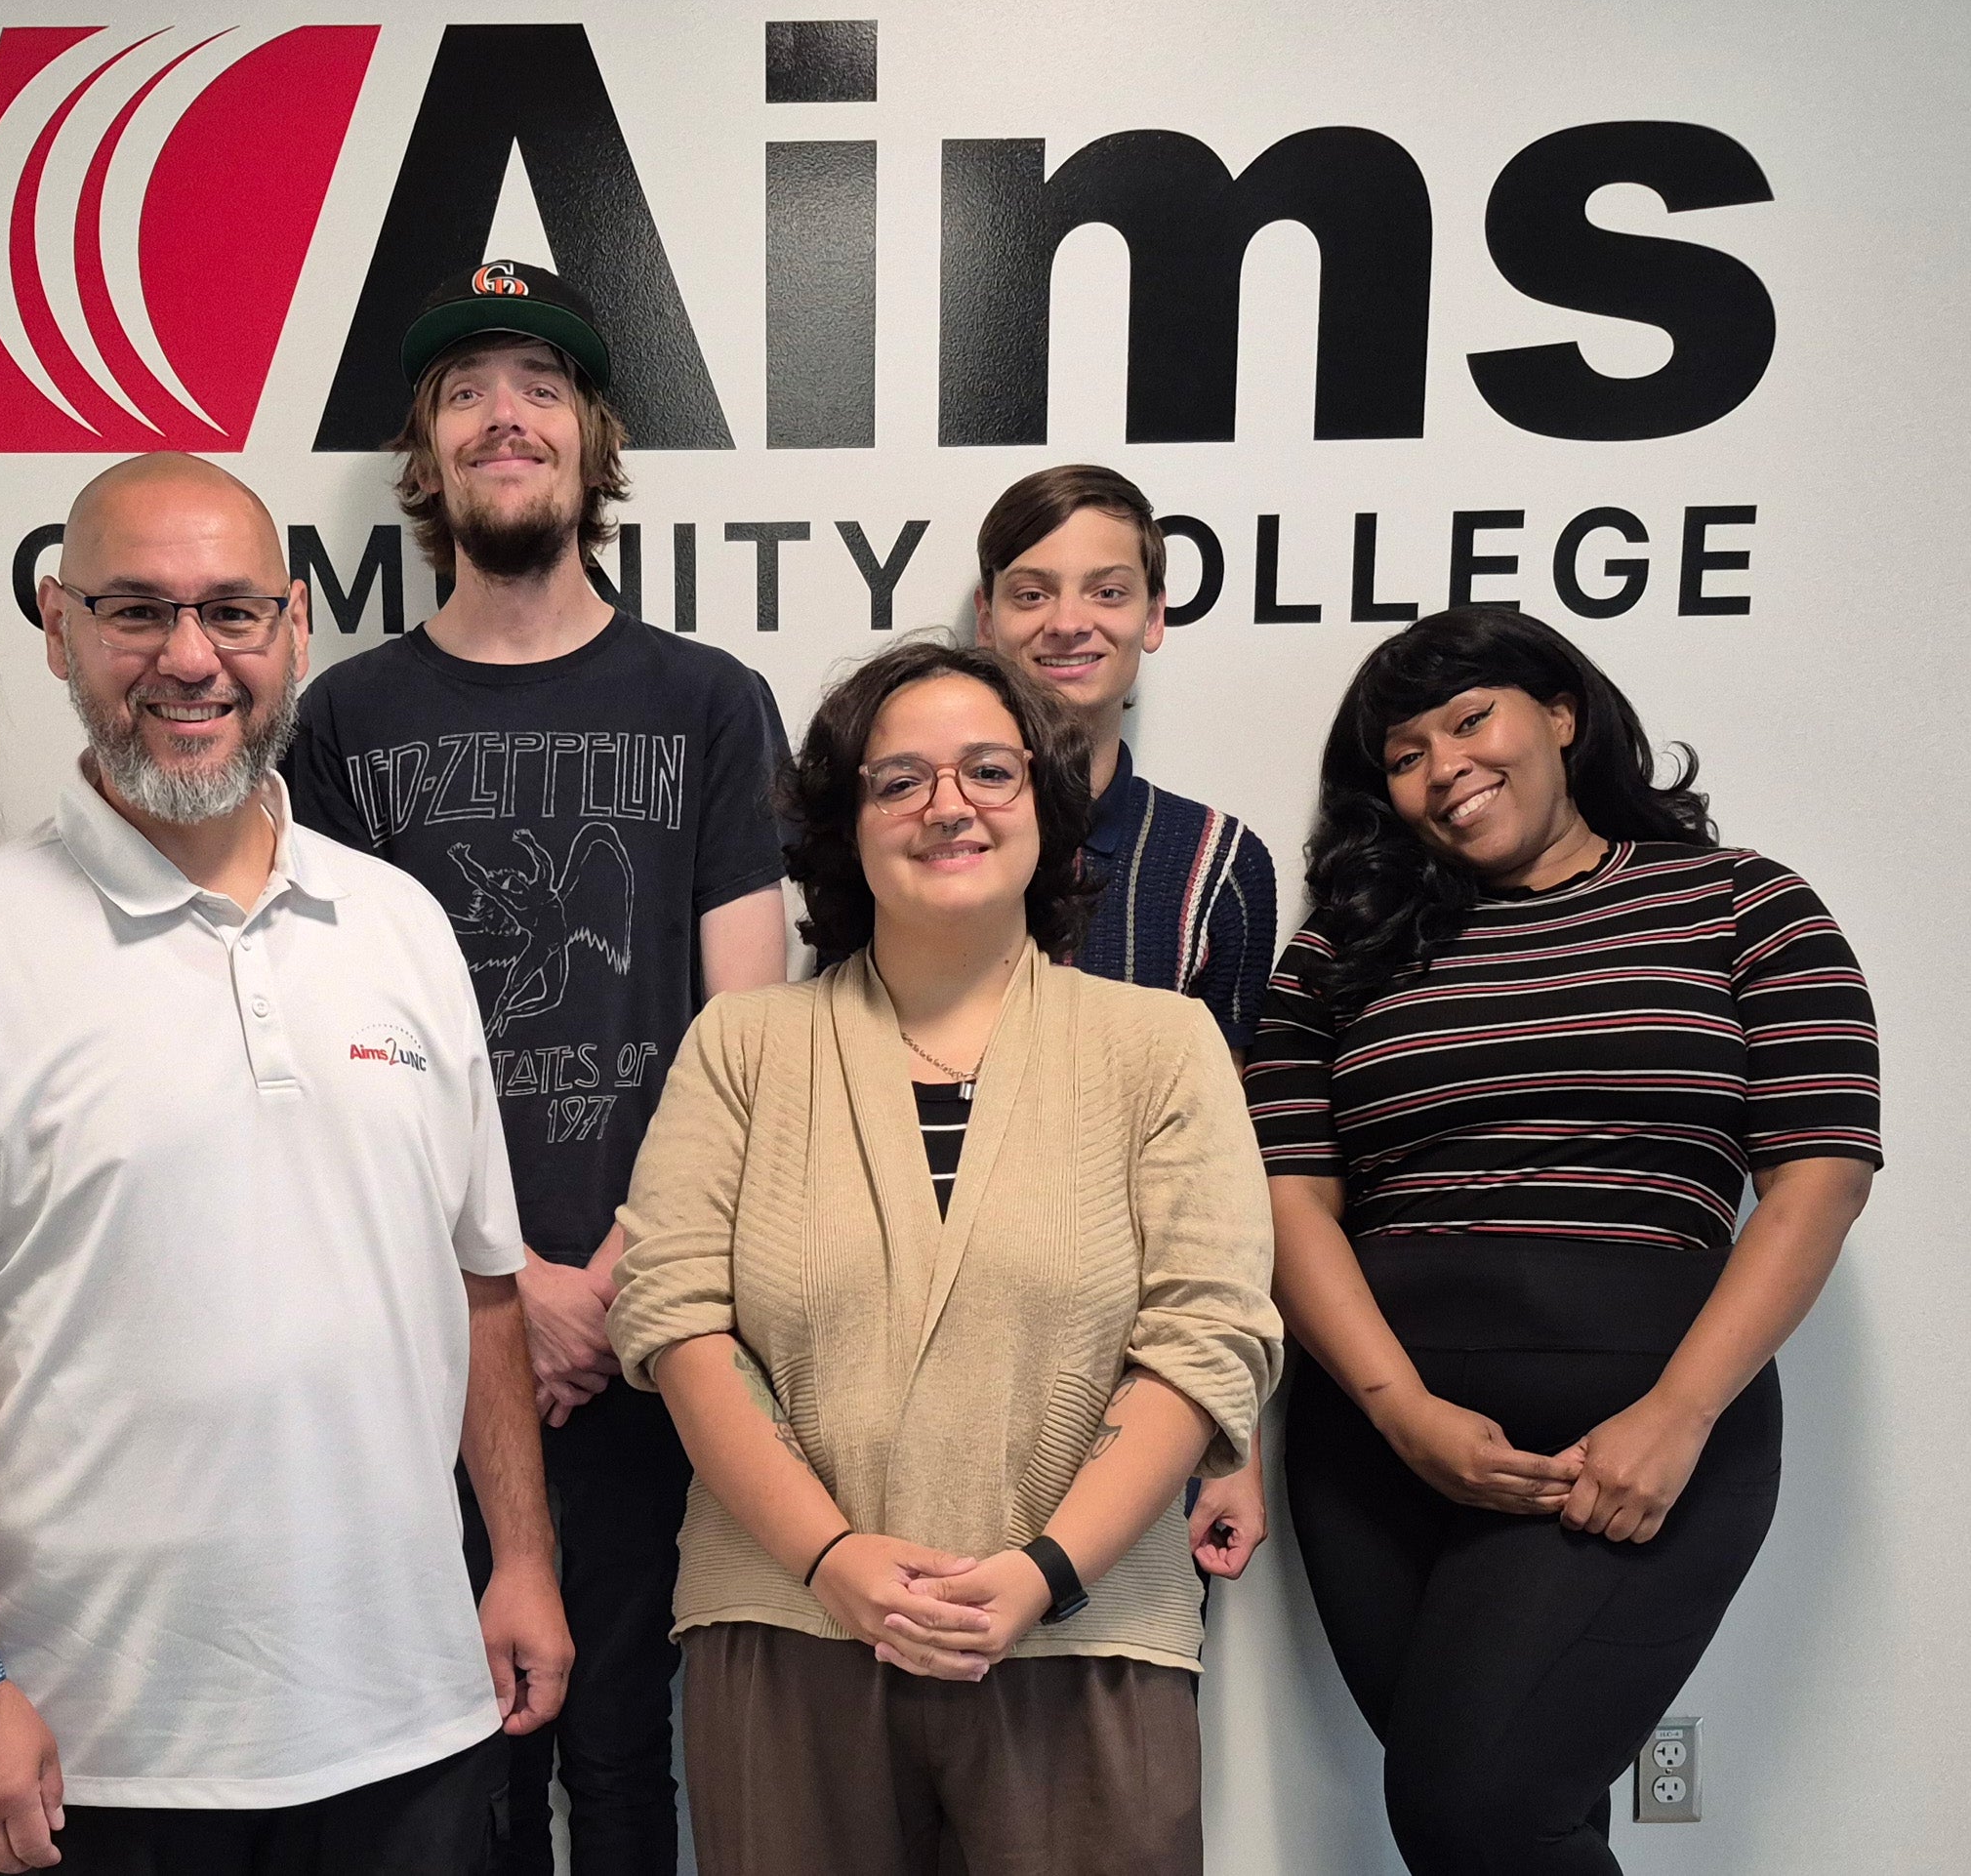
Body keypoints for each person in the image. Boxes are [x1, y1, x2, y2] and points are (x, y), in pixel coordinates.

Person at [0, 453, 571, 1876]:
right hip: (99, 1755)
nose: (191, 658)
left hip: (409, 1720)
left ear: (294, 628)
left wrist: (519, 1561)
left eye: (231, 611)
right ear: (56, 626)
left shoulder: (398, 926)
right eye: (137, 611)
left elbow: (481, 1291)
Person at [608, 637, 1282, 1876]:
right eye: (899, 779)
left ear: (1045, 803)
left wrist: (1042, 1572)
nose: (948, 805)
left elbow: (1209, 1333)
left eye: (988, 770)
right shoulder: (743, 1047)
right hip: (787, 1626)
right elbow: (675, 1319)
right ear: (844, 824)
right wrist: (832, 1558)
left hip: (1085, 1640)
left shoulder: (1162, 1045)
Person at [287, 261, 790, 1875]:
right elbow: (329, 1050)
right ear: (423, 462)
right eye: (464, 391)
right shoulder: (344, 725)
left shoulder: (707, 703)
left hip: (650, 1325)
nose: (506, 414)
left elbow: (746, 1033)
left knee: (627, 1747)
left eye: (543, 385)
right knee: (464, 1745)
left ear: (594, 441)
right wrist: (506, 1287)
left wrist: (613, 1284)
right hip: (430, 1321)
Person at [1246, 606, 1880, 1876]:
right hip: (1378, 1456)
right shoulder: (1338, 950)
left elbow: (1819, 1174)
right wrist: (1396, 1410)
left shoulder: (1742, 904)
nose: (1442, 765)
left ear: (1559, 713)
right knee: (1512, 1819)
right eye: (1403, 751)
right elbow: (1285, 1200)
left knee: (1475, 1809)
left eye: (1467, 718)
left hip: (1635, 1438)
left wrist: (1679, 1416)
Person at [973, 462, 1280, 1583]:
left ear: (1154, 618)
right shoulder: (905, 838)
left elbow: (1228, 1185)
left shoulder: (1212, 866)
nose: (1068, 622)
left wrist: (1232, 1441)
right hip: (919, 1371)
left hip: (1139, 1394)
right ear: (986, 617)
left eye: (1107, 591)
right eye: (1031, 590)